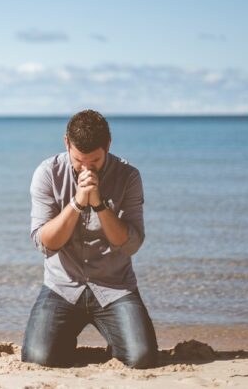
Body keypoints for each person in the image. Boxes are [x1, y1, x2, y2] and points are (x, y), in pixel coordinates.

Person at [21, 109, 158, 369]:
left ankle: (116, 339)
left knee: (142, 358)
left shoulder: (128, 176)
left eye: (94, 161)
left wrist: (98, 204)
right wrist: (76, 203)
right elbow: (45, 242)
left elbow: (130, 244)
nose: (86, 168)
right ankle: (62, 340)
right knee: (37, 360)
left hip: (114, 286)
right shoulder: (48, 173)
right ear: (67, 144)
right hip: (62, 286)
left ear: (108, 145)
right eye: (78, 160)